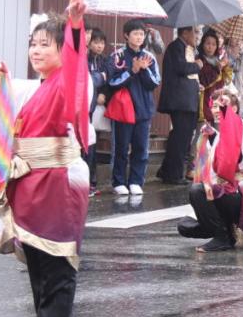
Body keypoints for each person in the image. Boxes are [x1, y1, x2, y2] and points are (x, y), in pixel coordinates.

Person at [0, 0, 91, 317]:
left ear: (62, 50)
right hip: (32, 186)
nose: (35, 51)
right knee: (41, 271)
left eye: (45, 45)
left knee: (55, 271)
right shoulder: (40, 87)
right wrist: (1, 79)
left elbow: (77, 64)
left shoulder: (66, 80)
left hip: (55, 187)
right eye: (32, 44)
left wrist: (76, 24)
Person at [177, 88, 243, 252]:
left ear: (234, 108)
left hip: (236, 192)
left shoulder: (238, 125)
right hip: (223, 190)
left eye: (222, 105)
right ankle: (226, 230)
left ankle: (222, 237)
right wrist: (212, 135)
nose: (217, 110)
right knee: (184, 225)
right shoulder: (223, 130)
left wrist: (225, 112)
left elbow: (234, 156)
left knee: (197, 191)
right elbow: (220, 153)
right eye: (214, 106)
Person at [108, 19, 161, 196]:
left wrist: (144, 69)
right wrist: (132, 71)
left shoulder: (149, 57)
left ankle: (136, 181)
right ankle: (118, 182)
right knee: (121, 147)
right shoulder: (118, 56)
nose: (139, 37)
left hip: (143, 108)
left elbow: (155, 82)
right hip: (123, 109)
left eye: (141, 34)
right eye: (135, 33)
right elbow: (112, 82)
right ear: (126, 35)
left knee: (140, 148)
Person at [154, 26, 198, 186]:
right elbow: (182, 68)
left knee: (179, 137)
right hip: (180, 101)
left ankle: (166, 169)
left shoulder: (186, 48)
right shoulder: (176, 47)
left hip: (186, 101)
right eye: (194, 32)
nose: (196, 36)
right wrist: (197, 65)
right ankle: (174, 175)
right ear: (185, 33)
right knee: (180, 139)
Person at [85, 27, 109, 195]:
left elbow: (109, 80)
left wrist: (104, 94)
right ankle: (86, 181)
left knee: (94, 145)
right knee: (87, 146)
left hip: (97, 105)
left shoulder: (104, 60)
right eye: (96, 42)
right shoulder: (84, 58)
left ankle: (92, 181)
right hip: (87, 105)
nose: (99, 46)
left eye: (102, 43)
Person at [197, 29, 232, 124]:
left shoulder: (217, 61)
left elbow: (226, 80)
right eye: (208, 43)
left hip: (217, 104)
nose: (210, 47)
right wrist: (218, 68)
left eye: (214, 44)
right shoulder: (199, 60)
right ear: (202, 44)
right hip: (203, 104)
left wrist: (226, 66)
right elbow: (203, 82)